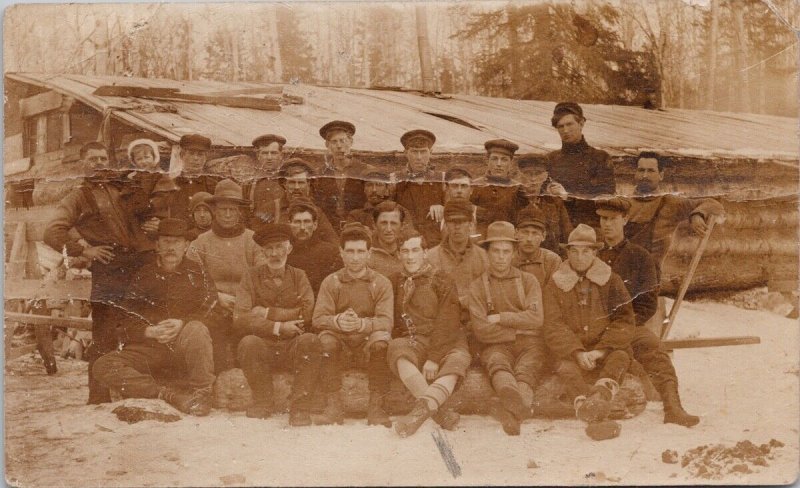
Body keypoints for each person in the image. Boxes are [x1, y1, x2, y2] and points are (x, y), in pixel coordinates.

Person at [44, 142, 155, 404]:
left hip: (138, 267)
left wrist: (151, 224)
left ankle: (139, 391)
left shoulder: (123, 188)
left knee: (141, 328)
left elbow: (144, 217)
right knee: (104, 335)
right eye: (92, 159)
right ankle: (98, 398)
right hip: (110, 269)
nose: (99, 163)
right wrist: (86, 251)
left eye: (103, 158)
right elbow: (51, 232)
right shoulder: (77, 197)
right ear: (83, 163)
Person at [92, 218, 218, 416]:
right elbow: (123, 320)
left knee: (197, 329)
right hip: (150, 350)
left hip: (183, 348)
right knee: (103, 365)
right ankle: (166, 395)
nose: (171, 248)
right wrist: (148, 331)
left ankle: (202, 394)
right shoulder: (144, 275)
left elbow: (213, 310)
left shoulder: (198, 272)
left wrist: (182, 323)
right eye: (166, 242)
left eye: (176, 242)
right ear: (157, 245)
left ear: (186, 245)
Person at [595, 197, 699, 427]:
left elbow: (648, 304)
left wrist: (625, 325)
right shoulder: (593, 257)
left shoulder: (640, 257)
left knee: (655, 350)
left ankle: (673, 408)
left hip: (629, 326)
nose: (607, 224)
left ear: (625, 220)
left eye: (612, 219)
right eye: (603, 219)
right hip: (596, 329)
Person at [543, 224, 634, 424]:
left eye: (585, 251)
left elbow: (624, 320)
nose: (579, 257)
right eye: (574, 251)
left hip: (604, 348)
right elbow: (553, 325)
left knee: (620, 355)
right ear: (567, 253)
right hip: (571, 350)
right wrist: (576, 352)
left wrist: (600, 351)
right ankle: (586, 402)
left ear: (595, 253)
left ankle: (600, 397)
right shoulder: (555, 283)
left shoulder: (611, 280)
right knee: (565, 367)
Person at [233, 223, 321, 426]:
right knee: (248, 343)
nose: (275, 254)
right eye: (269, 249)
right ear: (262, 252)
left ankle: (300, 408)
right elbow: (241, 317)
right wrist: (279, 327)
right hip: (264, 345)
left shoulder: (299, 276)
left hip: (293, 345)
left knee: (310, 340)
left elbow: (308, 312)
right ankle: (263, 402)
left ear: (289, 248)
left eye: (280, 247)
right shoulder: (251, 276)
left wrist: (268, 313)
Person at [388, 229, 471, 437]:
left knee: (457, 361)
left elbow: (448, 321)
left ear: (425, 252)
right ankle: (439, 412)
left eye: (415, 250)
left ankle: (418, 414)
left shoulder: (441, 279)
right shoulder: (395, 281)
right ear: (398, 254)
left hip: (446, 340)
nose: (409, 256)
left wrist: (434, 358)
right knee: (397, 348)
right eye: (404, 251)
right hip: (415, 340)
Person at [311, 222, 394, 427]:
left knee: (382, 342)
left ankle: (376, 406)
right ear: (341, 253)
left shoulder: (381, 283)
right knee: (325, 341)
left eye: (360, 251)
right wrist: (337, 321)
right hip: (342, 347)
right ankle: (334, 407)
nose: (355, 257)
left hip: (367, 345)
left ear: (369, 254)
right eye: (350, 251)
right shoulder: (331, 282)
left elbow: (386, 321)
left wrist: (361, 324)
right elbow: (318, 318)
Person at [469, 221, 545, 436]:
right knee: (497, 362)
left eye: (506, 251)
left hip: (529, 345)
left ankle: (510, 411)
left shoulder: (529, 281)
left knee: (528, 368)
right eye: (496, 251)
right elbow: (481, 330)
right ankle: (513, 401)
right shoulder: (477, 286)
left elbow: (536, 319)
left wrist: (501, 317)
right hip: (495, 345)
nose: (501, 257)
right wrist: (519, 328)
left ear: (513, 253)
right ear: (487, 253)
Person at [187, 179, 264, 372]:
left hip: (246, 307)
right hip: (214, 307)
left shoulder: (253, 240)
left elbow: (264, 277)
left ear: (240, 211)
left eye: (232, 209)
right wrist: (216, 297)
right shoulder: (200, 243)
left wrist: (244, 302)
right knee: (212, 331)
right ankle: (217, 380)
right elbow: (190, 279)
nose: (228, 214)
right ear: (214, 211)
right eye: (222, 209)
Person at [628, 151, 725, 274]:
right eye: (641, 170)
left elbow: (715, 205)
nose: (645, 175)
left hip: (648, 279)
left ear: (661, 175)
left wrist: (697, 214)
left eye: (651, 171)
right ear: (635, 173)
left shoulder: (671, 203)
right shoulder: (622, 203)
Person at [546, 102, 615, 228]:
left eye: (569, 124)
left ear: (581, 123)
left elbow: (605, 199)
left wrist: (568, 197)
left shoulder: (600, 158)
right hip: (557, 228)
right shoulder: (550, 159)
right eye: (560, 126)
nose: (565, 130)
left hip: (589, 228)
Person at [426, 198, 489, 321]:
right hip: (442, 323)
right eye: (452, 221)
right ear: (446, 225)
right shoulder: (431, 257)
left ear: (471, 224)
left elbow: (487, 296)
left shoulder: (483, 257)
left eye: (462, 221)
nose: (457, 227)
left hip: (475, 322)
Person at [253, 159, 338, 243]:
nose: (296, 187)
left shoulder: (317, 212)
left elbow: (333, 244)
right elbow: (256, 242)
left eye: (301, 183)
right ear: (284, 184)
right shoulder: (270, 209)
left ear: (308, 184)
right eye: (292, 182)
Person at [313, 121, 372, 229]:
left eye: (343, 141)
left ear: (351, 142)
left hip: (359, 227)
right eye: (334, 142)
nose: (339, 146)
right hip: (329, 228)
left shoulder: (366, 171)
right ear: (327, 145)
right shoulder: (320, 173)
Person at [394, 130, 446, 246]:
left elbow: (454, 210)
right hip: (406, 244)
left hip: (436, 243)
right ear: (405, 153)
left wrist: (443, 208)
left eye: (423, 152)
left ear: (431, 153)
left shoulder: (441, 179)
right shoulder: (395, 179)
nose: (419, 157)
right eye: (414, 152)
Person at [285, 199, 344, 294]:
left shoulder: (330, 252)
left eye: (307, 222)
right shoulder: (284, 253)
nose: (302, 227)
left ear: (315, 225)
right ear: (289, 224)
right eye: (297, 222)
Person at [516, 156, 573, 253]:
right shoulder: (511, 199)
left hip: (550, 260)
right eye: (527, 174)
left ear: (546, 176)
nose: (533, 179)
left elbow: (569, 236)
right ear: (520, 175)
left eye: (538, 174)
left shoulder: (554, 202)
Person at [471, 139, 528, 225]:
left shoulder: (517, 188)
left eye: (504, 160)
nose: (499, 164)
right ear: (487, 161)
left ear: (511, 163)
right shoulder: (475, 185)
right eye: (494, 159)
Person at [168, 134, 218, 221]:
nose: (195, 158)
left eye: (200, 154)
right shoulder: (169, 185)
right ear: (182, 155)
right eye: (191, 153)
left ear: (206, 158)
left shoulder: (213, 186)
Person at [346, 170, 413, 231]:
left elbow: (408, 238)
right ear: (364, 190)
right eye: (369, 185)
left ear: (387, 190)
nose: (374, 190)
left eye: (379, 185)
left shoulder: (401, 212)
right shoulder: (356, 216)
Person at [513, 207, 562, 288]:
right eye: (525, 232)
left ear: (543, 236)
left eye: (535, 233)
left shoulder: (552, 261)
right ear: (516, 233)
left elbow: (552, 296)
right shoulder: (507, 258)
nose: (529, 239)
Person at [367, 200, 408, 278]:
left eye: (393, 223)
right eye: (384, 223)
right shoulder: (366, 254)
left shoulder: (410, 252)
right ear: (374, 225)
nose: (389, 229)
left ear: (402, 226)